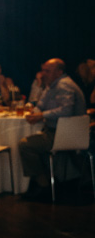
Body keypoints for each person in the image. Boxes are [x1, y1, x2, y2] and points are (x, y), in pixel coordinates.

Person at [19, 58, 86, 199]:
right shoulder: (52, 85)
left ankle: (44, 185)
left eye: (47, 71)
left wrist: (41, 115)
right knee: (35, 141)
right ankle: (49, 182)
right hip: (56, 131)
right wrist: (35, 112)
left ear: (59, 72)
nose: (43, 74)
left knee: (25, 145)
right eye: (43, 70)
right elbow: (41, 104)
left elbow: (66, 111)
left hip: (66, 134)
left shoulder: (64, 85)